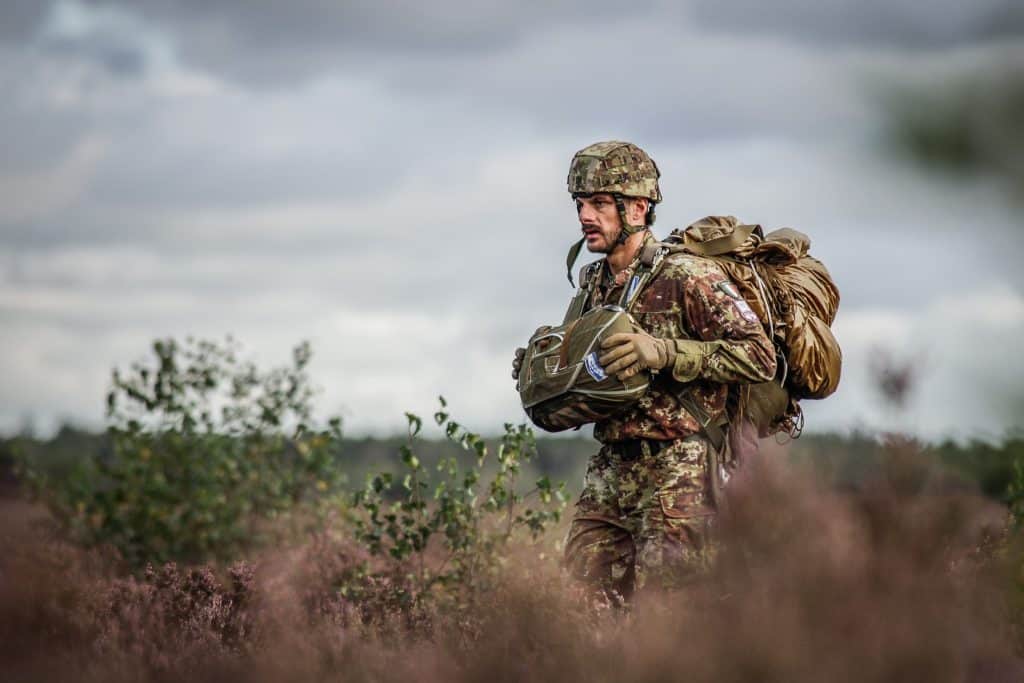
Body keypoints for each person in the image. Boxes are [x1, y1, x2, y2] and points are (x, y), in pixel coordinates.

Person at [512, 141, 777, 605]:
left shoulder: (687, 275)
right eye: (580, 204)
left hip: (681, 466)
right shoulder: (593, 282)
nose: (584, 216)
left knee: (666, 612)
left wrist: (664, 352)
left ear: (637, 208)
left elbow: (759, 355)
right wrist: (542, 372)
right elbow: (588, 373)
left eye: (598, 203)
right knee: (582, 602)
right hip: (614, 464)